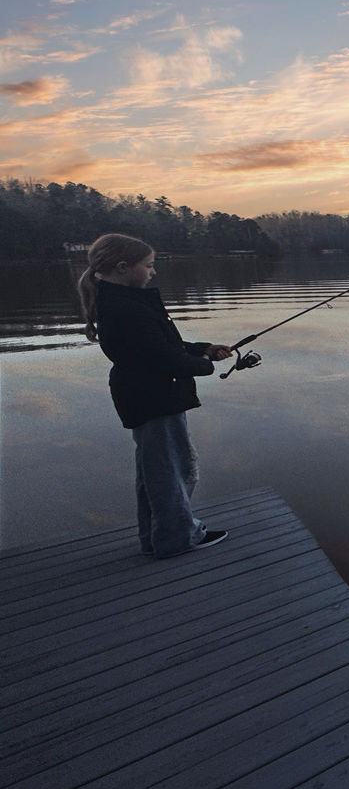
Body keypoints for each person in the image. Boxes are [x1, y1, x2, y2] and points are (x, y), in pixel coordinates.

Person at [77, 233, 235, 558]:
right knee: (174, 470)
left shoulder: (123, 302)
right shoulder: (126, 309)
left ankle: (157, 536)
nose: (153, 272)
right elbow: (164, 358)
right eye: (148, 266)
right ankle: (176, 538)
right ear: (123, 268)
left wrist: (203, 349)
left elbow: (160, 345)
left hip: (145, 396)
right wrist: (203, 366)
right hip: (155, 398)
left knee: (156, 470)